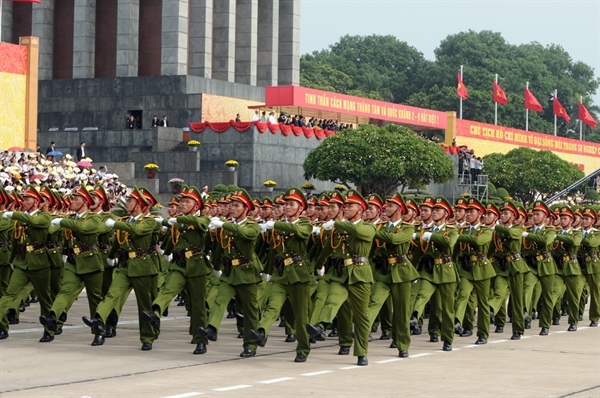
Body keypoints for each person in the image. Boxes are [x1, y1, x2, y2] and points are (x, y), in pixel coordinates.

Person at [82, 186, 161, 350]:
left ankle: (147, 337)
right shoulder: (124, 221)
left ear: (139, 204)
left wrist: (117, 224)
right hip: (125, 266)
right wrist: (111, 256)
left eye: (131, 201)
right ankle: (99, 319)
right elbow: (118, 242)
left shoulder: (150, 221)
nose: (127, 203)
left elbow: (137, 230)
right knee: (111, 294)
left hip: (143, 267)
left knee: (144, 305)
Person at [306, 189, 375, 366]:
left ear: (359, 209)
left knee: (361, 317)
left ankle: (361, 352)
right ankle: (321, 326)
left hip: (360, 274)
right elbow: (327, 249)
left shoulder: (368, 227)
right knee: (333, 300)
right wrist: (316, 267)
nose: (345, 208)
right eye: (345, 205)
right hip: (340, 274)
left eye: (350, 205)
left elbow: (358, 232)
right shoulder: (339, 228)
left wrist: (336, 224)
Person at [142, 186, 213, 355]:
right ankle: (155, 313)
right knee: (167, 290)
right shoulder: (177, 221)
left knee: (198, 306)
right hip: (179, 265)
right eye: (181, 201)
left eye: (187, 202)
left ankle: (200, 340)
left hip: (196, 266)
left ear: (196, 206)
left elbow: (199, 223)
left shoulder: (202, 219)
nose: (181, 204)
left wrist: (177, 220)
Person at [248, 188, 313, 362]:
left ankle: (303, 348)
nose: (288, 207)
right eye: (287, 204)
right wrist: (268, 271)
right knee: (272, 306)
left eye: (292, 204)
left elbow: (302, 233)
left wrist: (275, 224)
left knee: (300, 316)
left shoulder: (304, 223)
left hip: (299, 275)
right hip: (280, 274)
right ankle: (261, 332)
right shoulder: (278, 225)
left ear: (300, 208)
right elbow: (273, 252)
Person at [198, 188, 263, 358]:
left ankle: (250, 345)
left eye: (236, 205)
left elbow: (246, 234)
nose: (232, 208)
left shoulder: (253, 225)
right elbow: (221, 248)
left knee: (250, 311)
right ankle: (211, 328)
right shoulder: (226, 226)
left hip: (247, 272)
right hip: (229, 272)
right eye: (231, 205)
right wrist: (216, 266)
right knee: (220, 300)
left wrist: (225, 224)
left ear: (246, 209)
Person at [39, 186, 106, 346]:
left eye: (76, 199)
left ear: (84, 203)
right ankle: (52, 318)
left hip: (91, 262)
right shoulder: (72, 219)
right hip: (73, 262)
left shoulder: (93, 218)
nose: (72, 201)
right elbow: (52, 229)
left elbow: (83, 228)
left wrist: (62, 221)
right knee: (65, 290)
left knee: (94, 299)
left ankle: (98, 332)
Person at [368, 192, 419, 357]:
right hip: (383, 272)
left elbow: (395, 239)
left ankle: (402, 344)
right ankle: (363, 330)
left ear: (399, 208)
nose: (386, 208)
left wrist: (373, 232)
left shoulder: (407, 227)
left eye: (390, 206)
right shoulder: (380, 226)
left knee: (401, 311)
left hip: (401, 271)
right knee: (374, 301)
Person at [0, 185, 53, 341]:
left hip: (40, 263)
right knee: (9, 294)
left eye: (27, 199)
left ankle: (49, 330)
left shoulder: (44, 216)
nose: (23, 201)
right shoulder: (21, 218)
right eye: (23, 199)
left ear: (36, 202)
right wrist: (12, 260)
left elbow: (34, 221)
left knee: (45, 299)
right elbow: (17, 242)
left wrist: (14, 214)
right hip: (22, 263)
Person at [409, 197, 459, 351]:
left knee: (447, 308)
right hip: (429, 271)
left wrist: (431, 236)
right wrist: (412, 271)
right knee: (421, 295)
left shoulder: (452, 230)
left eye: (438, 210)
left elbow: (449, 243)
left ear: (445, 214)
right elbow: (418, 252)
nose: (434, 212)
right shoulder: (426, 231)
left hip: (446, 271)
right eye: (434, 210)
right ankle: (414, 317)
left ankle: (447, 338)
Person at [454, 198, 495, 345]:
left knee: (482, 303)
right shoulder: (463, 230)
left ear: (480, 214)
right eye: (468, 211)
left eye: (471, 211)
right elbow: (455, 251)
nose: (468, 214)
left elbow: (478, 242)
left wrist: (457, 235)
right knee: (463, 294)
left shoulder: (486, 230)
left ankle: (483, 334)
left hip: (482, 268)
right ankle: (458, 321)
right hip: (467, 269)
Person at [522, 201, 557, 336]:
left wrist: (526, 235)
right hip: (532, 265)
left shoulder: (550, 230)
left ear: (545, 217)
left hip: (546, 265)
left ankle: (545, 325)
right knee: (527, 286)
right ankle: (526, 312)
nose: (534, 217)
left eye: (538, 214)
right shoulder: (529, 230)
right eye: (533, 214)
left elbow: (544, 241)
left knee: (547, 296)